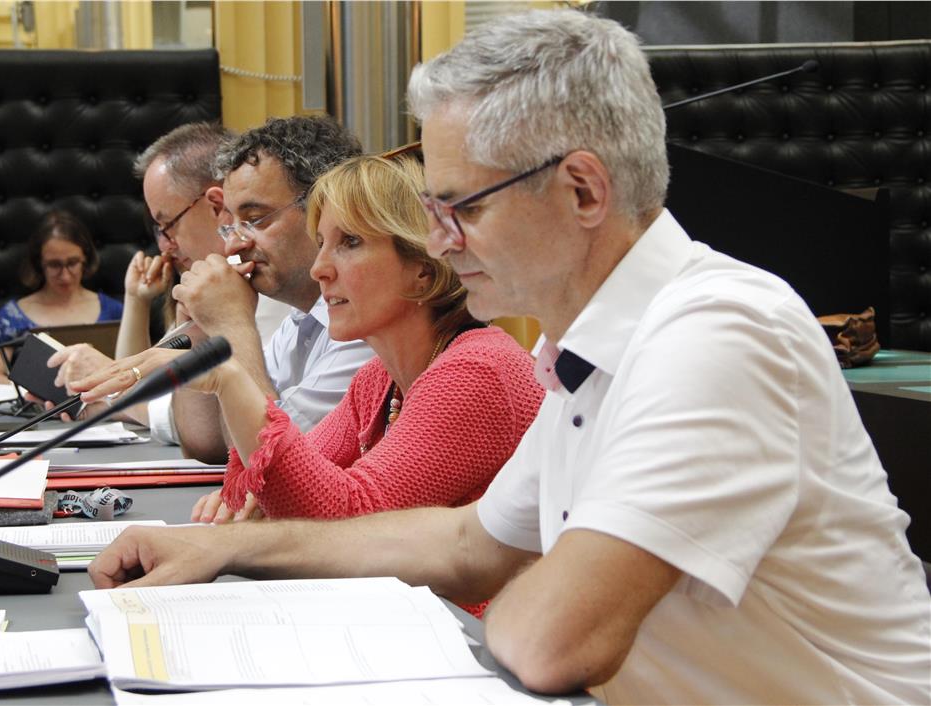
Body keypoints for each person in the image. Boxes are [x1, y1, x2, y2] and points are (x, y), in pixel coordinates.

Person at [87, 10, 930, 704]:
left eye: (463, 208)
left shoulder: (715, 334)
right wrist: (224, 550)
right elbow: (468, 542)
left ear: (583, 190)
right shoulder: (580, 348)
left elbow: (554, 642)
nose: (442, 241)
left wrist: (516, 589)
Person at [185, 155, 543, 525]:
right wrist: (252, 496)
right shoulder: (377, 381)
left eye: (350, 242)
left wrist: (230, 373)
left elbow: (350, 512)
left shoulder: (478, 373)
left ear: (423, 266)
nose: (319, 269)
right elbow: (282, 479)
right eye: (321, 244)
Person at [71, 116, 376, 463]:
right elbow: (210, 445)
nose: (234, 245)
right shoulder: (300, 322)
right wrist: (199, 328)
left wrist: (232, 326)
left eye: (255, 219)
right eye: (231, 225)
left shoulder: (363, 327)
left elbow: (272, 465)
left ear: (322, 209)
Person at [46, 123, 289, 431]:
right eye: (158, 230)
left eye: (168, 225)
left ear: (217, 207)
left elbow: (206, 425)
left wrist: (106, 394)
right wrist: (136, 301)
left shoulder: (263, 280)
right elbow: (144, 382)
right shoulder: (211, 282)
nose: (164, 245)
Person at [0, 210, 123, 383]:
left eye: (72, 263)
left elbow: (133, 368)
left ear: (85, 258)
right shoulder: (12, 315)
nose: (65, 276)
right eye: (54, 265)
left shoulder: (114, 310)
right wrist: (31, 391)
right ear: (39, 264)